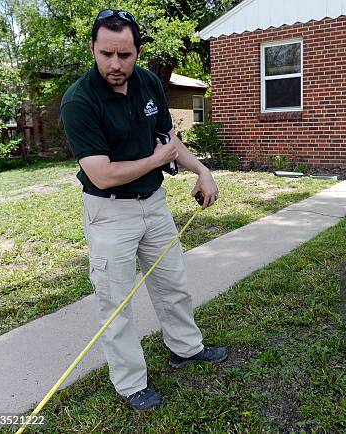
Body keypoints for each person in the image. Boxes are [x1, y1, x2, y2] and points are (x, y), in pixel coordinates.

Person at [60, 9, 228, 411]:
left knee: (173, 284)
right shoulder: (78, 101)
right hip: (109, 212)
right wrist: (159, 159)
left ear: (137, 51)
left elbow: (167, 140)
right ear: (93, 50)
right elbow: (101, 175)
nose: (115, 65)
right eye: (106, 54)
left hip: (154, 205)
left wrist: (202, 171)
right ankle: (131, 384)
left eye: (125, 55)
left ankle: (186, 349)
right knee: (115, 302)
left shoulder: (149, 82)